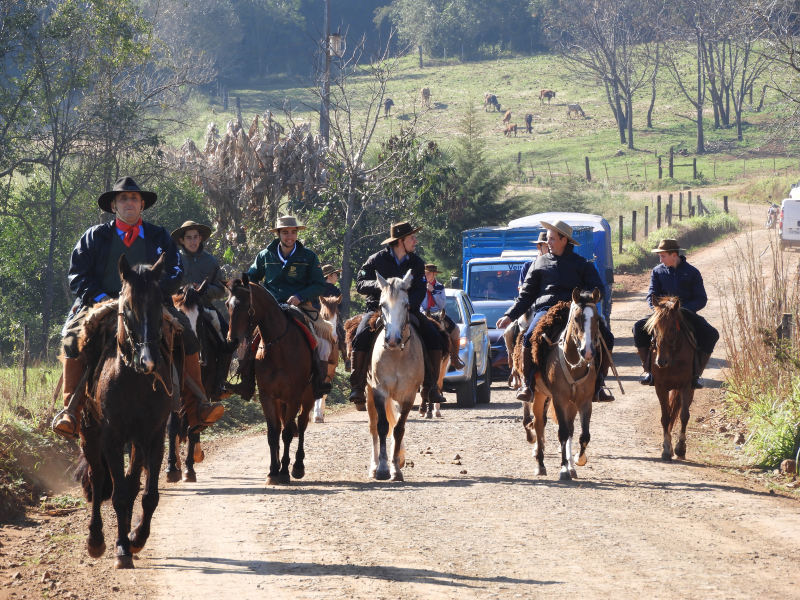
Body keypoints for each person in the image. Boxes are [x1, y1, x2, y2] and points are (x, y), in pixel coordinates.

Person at [53, 177, 225, 438]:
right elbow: (77, 274)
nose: (129, 202)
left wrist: (154, 293)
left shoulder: (159, 235)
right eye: (123, 198)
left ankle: (197, 407)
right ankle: (71, 412)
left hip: (152, 303)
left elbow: (175, 272)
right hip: (101, 303)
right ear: (114, 206)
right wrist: (100, 296)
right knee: (71, 340)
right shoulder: (94, 236)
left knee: (188, 337)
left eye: (134, 198)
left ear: (142, 204)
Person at [496, 220, 615, 402]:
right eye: (548, 239)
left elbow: (599, 288)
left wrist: (585, 297)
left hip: (576, 310)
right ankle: (527, 385)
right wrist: (509, 315)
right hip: (546, 310)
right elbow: (526, 296)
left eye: (551, 239)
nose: (547, 242)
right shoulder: (538, 264)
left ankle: (599, 385)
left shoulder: (582, 264)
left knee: (607, 337)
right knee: (528, 337)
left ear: (564, 240)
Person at [225, 215, 331, 400]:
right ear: (278, 234)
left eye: (293, 232)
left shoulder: (308, 256)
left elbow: (319, 285)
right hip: (269, 309)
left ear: (297, 233)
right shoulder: (264, 255)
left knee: (321, 335)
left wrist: (300, 296)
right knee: (248, 339)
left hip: (300, 306)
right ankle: (247, 382)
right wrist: (244, 290)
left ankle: (320, 379)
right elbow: (251, 277)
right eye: (285, 232)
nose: (290, 236)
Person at [348, 222, 448, 409]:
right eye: (412, 238)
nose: (415, 241)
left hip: (408, 310)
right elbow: (360, 283)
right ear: (400, 241)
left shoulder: (417, 263)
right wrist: (379, 286)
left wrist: (408, 304)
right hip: (378, 309)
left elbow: (419, 289)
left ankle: (432, 386)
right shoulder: (376, 259)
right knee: (360, 334)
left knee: (435, 336)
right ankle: (358, 386)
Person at [632, 239, 719, 388]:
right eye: (660, 256)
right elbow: (651, 294)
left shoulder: (692, 272)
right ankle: (648, 371)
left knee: (711, 334)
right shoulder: (657, 271)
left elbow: (701, 298)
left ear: (674, 254)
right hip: (662, 314)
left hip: (686, 313)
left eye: (663, 256)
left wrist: (683, 310)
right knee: (638, 327)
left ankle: (697, 374)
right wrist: (659, 310)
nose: (661, 260)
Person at [171, 220, 235, 398]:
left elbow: (221, 289)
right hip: (178, 308)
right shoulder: (174, 260)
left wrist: (206, 289)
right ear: (182, 240)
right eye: (188, 238)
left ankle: (221, 383)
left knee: (226, 335)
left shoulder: (211, 260)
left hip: (205, 308)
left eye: (195, 237)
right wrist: (179, 293)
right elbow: (166, 286)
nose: (192, 241)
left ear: (200, 239)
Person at [421, 264, 465, 370]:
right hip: (423, 312)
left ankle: (455, 358)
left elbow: (441, 304)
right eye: (425, 273)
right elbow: (418, 302)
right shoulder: (419, 285)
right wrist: (423, 311)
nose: (426, 275)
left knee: (455, 330)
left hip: (437, 313)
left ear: (434, 274)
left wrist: (433, 291)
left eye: (429, 273)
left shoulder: (440, 287)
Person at [312, 264, 347, 368]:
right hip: (318, 318)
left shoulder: (336, 290)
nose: (337, 277)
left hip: (333, 319)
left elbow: (340, 305)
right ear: (329, 275)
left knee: (343, 333)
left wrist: (334, 311)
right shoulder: (318, 289)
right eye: (336, 274)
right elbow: (313, 303)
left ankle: (346, 359)